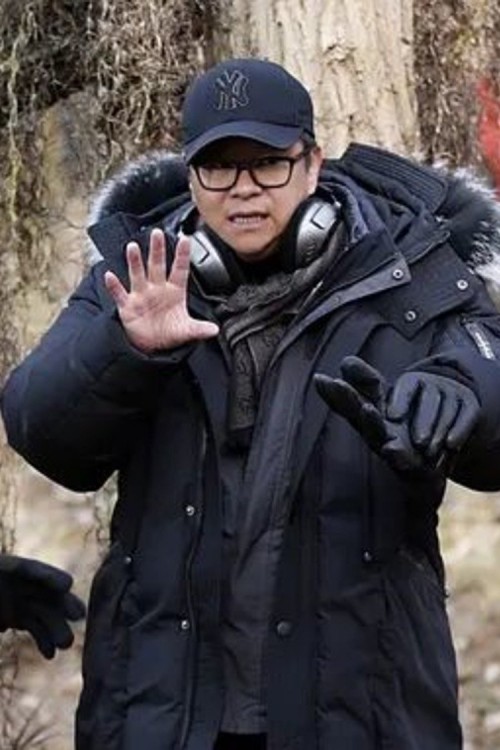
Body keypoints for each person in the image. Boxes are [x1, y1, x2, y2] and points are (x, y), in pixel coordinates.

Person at [2, 57, 500, 750]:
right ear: (190, 175)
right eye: (219, 167)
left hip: (364, 710)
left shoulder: (413, 268)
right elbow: (40, 428)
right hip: (163, 713)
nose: (243, 189)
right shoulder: (137, 273)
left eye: (268, 163)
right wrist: (128, 348)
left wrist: (461, 391)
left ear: (312, 164)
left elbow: (489, 372)